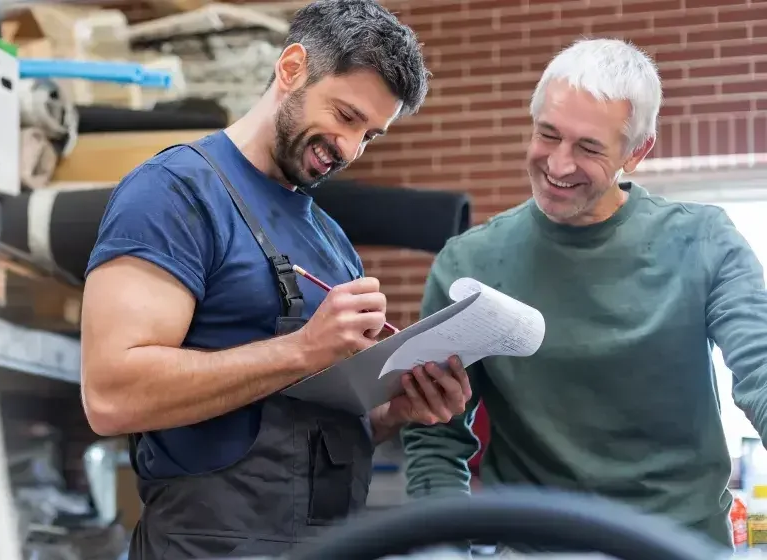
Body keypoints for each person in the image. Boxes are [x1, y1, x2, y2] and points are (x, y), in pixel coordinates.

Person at [80, 0, 472, 558]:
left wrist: (395, 411)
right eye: (345, 115)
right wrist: (304, 350)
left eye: (371, 135)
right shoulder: (175, 192)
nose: (350, 149)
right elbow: (110, 396)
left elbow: (316, 427)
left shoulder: (334, 245)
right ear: (291, 69)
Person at [401, 37, 767, 554]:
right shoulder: (469, 265)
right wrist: (441, 552)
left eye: (589, 147)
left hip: (677, 547)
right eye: (547, 135)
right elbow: (436, 435)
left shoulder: (705, 242)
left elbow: (761, 371)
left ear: (637, 152)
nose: (558, 163)